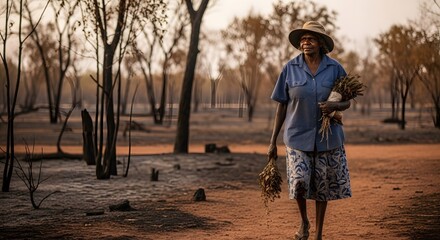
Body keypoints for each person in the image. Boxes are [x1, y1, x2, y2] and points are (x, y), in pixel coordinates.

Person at [268, 21, 352, 240]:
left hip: (327, 138)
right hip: (297, 136)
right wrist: (272, 141)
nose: (306, 42)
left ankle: (319, 234)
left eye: (311, 38)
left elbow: (347, 102)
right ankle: (304, 221)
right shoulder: (290, 68)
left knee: (322, 188)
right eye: (303, 39)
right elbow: (281, 105)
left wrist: (335, 106)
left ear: (321, 43)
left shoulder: (335, 68)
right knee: (299, 182)